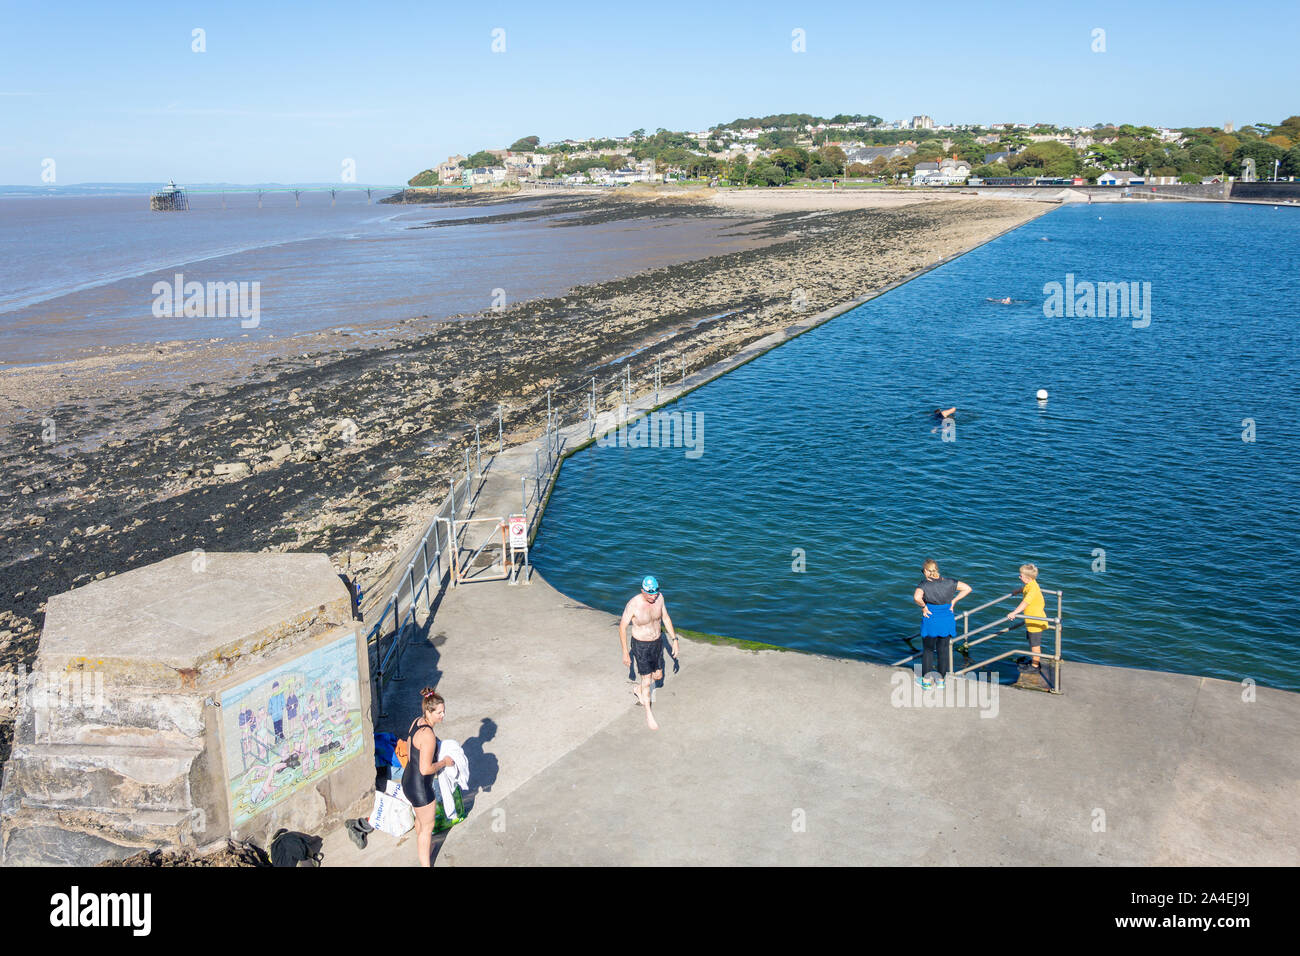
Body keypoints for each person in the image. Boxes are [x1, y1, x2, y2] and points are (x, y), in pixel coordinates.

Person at [402, 688, 455, 867]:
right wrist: (445, 762)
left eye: (443, 711)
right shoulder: (429, 736)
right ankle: (426, 863)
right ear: (429, 712)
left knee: (420, 819)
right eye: (439, 712)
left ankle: (424, 846)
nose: (443, 715)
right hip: (420, 788)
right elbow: (425, 769)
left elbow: (411, 752)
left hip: (408, 780)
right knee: (427, 828)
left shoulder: (417, 722)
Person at [619, 575, 679, 731]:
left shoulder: (659, 599)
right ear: (642, 591)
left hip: (657, 643)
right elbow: (622, 627)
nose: (653, 596)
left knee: (658, 676)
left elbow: (665, 617)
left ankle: (638, 690)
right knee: (647, 680)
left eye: (656, 592)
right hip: (641, 645)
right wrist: (626, 653)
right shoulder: (634, 604)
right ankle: (648, 712)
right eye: (650, 593)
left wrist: (675, 640)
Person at [912, 559, 972, 688]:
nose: (923, 573)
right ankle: (941, 682)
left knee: (928, 651)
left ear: (927, 571)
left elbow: (917, 597)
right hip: (947, 618)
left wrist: (923, 607)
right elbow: (968, 588)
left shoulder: (924, 585)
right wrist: (954, 601)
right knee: (943, 651)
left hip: (931, 618)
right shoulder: (950, 582)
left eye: (923, 571)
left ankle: (926, 682)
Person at [1006, 563, 1049, 670]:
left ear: (1028, 578)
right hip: (1030, 620)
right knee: (1031, 642)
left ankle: (1035, 666)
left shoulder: (1033, 589)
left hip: (1035, 621)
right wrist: (1018, 591)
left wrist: (1014, 612)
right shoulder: (1031, 584)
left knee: (1035, 645)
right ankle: (1034, 660)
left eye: (1021, 576)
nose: (1019, 577)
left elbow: (1025, 602)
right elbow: (1025, 588)